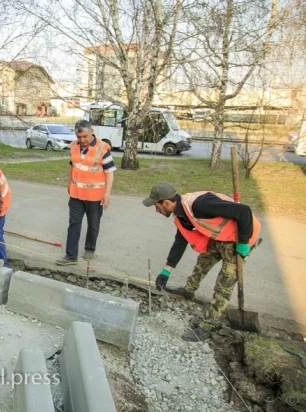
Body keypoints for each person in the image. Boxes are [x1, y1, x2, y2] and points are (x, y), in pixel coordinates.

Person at [143, 182, 261, 341]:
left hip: (240, 238)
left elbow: (244, 211)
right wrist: (166, 271)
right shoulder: (180, 215)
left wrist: (243, 244)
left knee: (224, 284)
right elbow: (180, 243)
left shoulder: (199, 205)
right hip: (220, 238)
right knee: (203, 261)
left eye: (156, 206)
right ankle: (189, 290)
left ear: (166, 203)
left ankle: (208, 325)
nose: (157, 210)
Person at [55, 119, 115, 265]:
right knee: (74, 224)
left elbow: (110, 172)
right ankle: (71, 256)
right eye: (79, 137)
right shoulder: (74, 146)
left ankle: (90, 248)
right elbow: (73, 165)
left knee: (93, 224)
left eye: (85, 137)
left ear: (92, 132)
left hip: (95, 196)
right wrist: (69, 182)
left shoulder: (102, 148)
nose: (82, 140)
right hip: (76, 194)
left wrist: (107, 193)